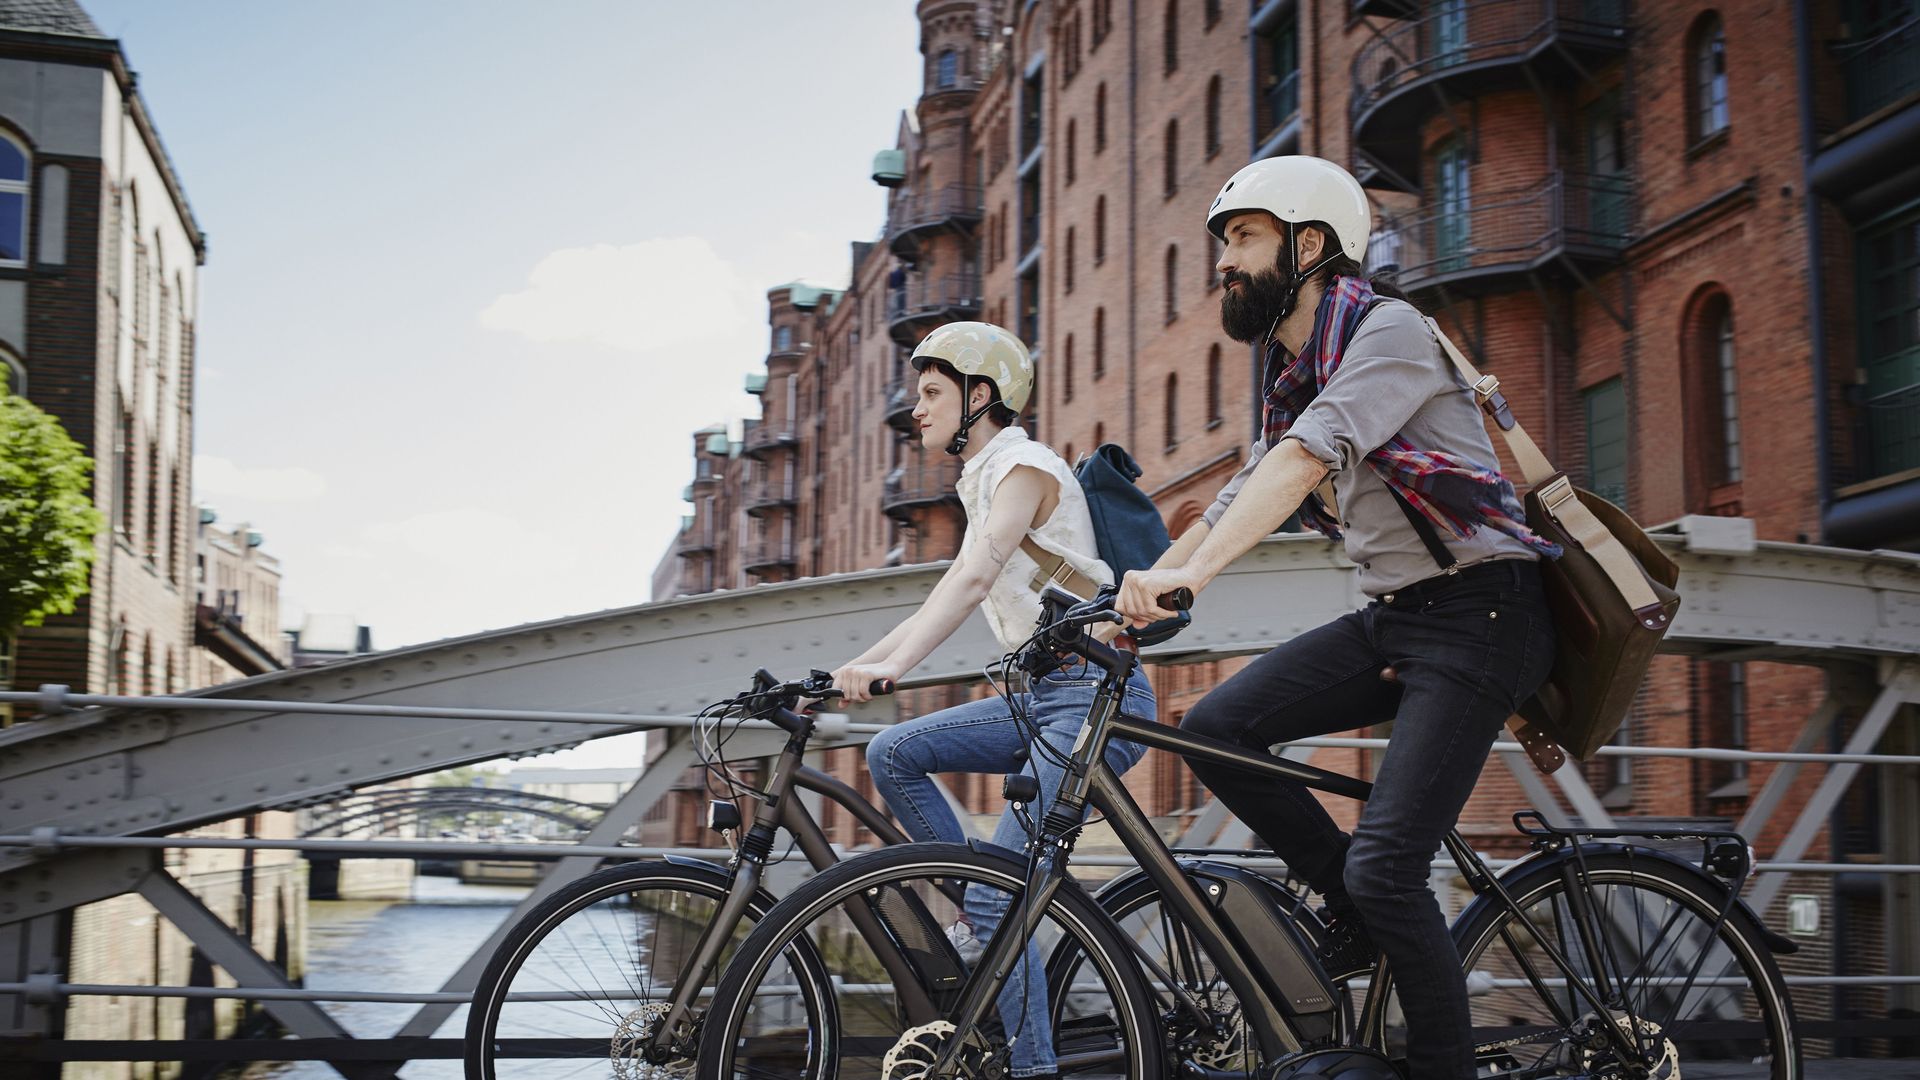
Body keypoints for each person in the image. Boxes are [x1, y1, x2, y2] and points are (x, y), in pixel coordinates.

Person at [1113, 156, 1559, 1080]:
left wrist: (1190, 579)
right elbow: (1248, 481)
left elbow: (1302, 465)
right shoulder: (1301, 368)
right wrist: (1145, 579)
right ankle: (1350, 905)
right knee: (1217, 728)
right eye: (1225, 243)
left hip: (1486, 612)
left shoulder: (1390, 332)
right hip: (1400, 616)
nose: (1224, 263)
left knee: (1390, 867)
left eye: (1242, 238)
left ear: (1309, 245)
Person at [833, 321, 1156, 1080]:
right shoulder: (983, 478)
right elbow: (945, 592)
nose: (918, 408)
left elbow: (973, 579)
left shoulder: (1024, 465)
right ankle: (978, 907)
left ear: (983, 396)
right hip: (1040, 697)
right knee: (895, 751)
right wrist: (857, 666)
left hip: (1092, 699)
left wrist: (898, 669)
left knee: (995, 900)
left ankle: (1032, 1062)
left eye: (935, 392)